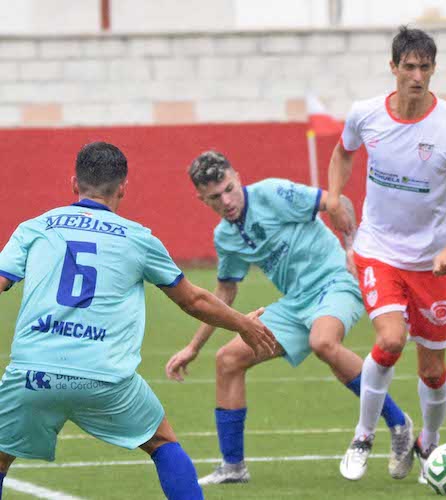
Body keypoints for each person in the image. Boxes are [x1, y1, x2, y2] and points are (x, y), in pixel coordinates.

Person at [0, 142, 275, 500]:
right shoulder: (138, 238)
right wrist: (242, 323)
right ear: (123, 188)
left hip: (32, 372)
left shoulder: (34, 228)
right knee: (162, 443)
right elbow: (193, 300)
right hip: (103, 375)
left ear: (74, 184)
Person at [164, 150, 415, 486]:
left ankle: (399, 425)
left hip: (335, 281)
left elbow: (338, 203)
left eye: (228, 189)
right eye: (214, 197)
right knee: (228, 359)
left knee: (323, 342)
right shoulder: (226, 237)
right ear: (201, 199)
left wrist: (354, 250)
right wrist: (194, 346)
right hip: (295, 304)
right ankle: (233, 467)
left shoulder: (272, 193)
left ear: (237, 177)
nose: (225, 201)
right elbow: (224, 295)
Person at [327, 26, 446, 482]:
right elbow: (343, 153)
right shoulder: (366, 115)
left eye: (425, 67)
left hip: (431, 263)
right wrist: (333, 194)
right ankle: (363, 434)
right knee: (390, 340)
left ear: (433, 69)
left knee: (434, 368)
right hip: (377, 250)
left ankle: (429, 446)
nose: (417, 76)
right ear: (394, 67)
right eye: (409, 67)